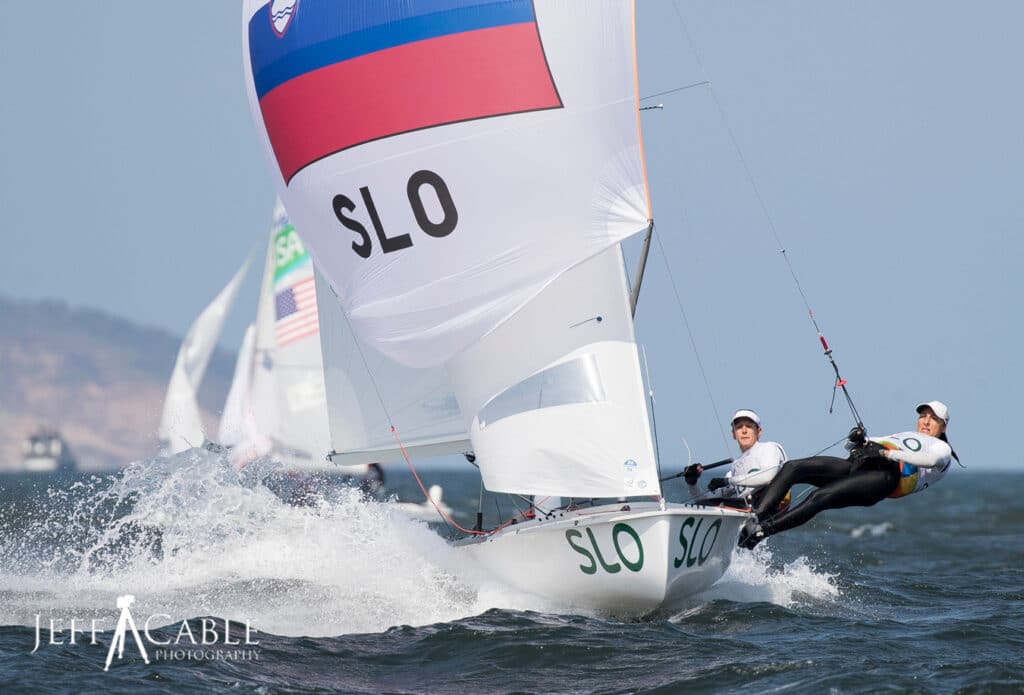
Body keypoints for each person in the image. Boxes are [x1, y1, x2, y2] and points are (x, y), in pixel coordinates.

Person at [738, 400, 958, 549]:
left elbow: (930, 461)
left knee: (820, 497)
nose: (926, 421)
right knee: (793, 467)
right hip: (859, 466)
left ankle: (760, 532)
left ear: (943, 426)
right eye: (923, 416)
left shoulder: (941, 449)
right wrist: (855, 439)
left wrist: (885, 452)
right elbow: (851, 447)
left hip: (884, 478)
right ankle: (755, 515)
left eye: (933, 418)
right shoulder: (906, 434)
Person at [683, 409, 787, 505]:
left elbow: (767, 478)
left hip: (769, 510)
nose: (744, 430)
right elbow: (705, 500)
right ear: (733, 434)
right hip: (747, 514)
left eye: (749, 426)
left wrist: (728, 481)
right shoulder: (735, 468)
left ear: (759, 432)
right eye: (739, 427)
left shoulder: (769, 448)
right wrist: (692, 483)